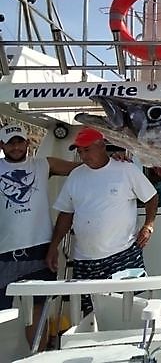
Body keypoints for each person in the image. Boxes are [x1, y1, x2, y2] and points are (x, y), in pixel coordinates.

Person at [45, 127, 158, 314]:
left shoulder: (126, 170)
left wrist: (149, 225)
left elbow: (151, 197)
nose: (83, 155)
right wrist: (54, 246)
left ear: (101, 145)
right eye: (80, 151)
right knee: (90, 314)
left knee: (127, 310)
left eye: (86, 150)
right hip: (85, 259)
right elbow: (66, 213)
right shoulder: (75, 176)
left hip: (123, 253)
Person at [0, 123, 81, 349]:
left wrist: (114, 161)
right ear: (2, 145)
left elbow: (82, 166)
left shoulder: (43, 164)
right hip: (3, 252)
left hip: (39, 249)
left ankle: (38, 356)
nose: (15, 147)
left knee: (38, 309)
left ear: (28, 143)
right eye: (10, 143)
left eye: (19, 142)